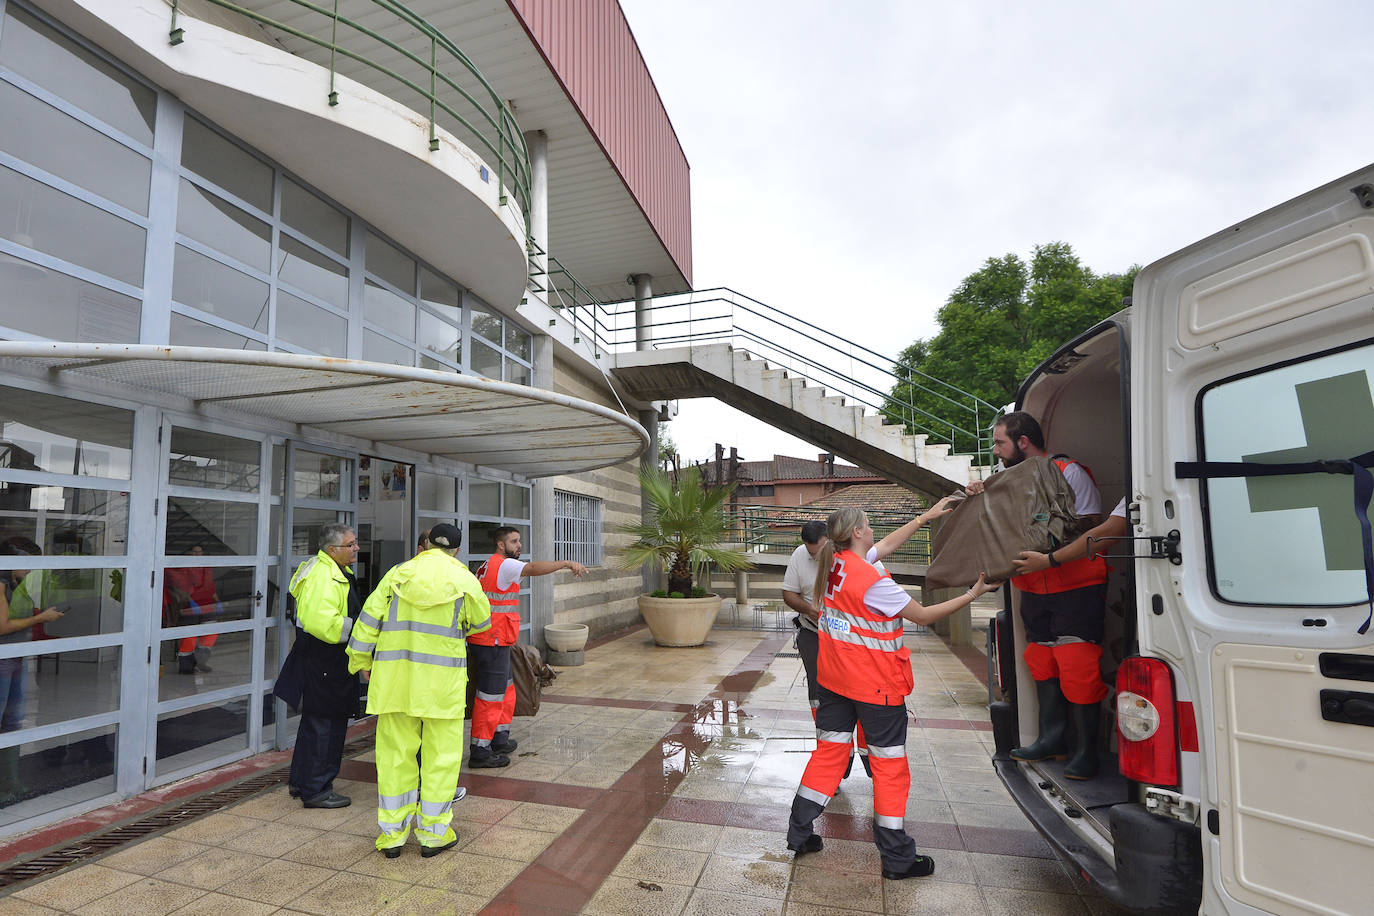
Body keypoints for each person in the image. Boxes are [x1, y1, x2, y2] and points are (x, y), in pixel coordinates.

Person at [786, 507, 998, 880]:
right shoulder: (871, 580)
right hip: (875, 686)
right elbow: (925, 615)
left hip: (836, 681)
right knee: (889, 768)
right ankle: (898, 858)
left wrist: (924, 518)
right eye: (868, 525)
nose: (873, 532)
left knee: (828, 756)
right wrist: (973, 594)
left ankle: (799, 833)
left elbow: (883, 546)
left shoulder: (835, 564)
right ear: (856, 532)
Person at [967, 411, 1108, 780]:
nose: (996, 451)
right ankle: (1053, 739)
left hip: (1076, 585)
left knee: (1077, 663)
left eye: (1000, 443)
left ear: (1023, 442)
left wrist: (1050, 553)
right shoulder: (1006, 479)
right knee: (1041, 660)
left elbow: (1093, 526)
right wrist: (978, 495)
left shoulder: (1069, 471)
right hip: (1032, 587)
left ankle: (1086, 752)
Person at [346, 523, 491, 858]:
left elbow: (368, 620)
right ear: (457, 550)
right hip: (442, 688)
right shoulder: (464, 578)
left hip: (396, 683)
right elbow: (482, 623)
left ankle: (392, 836)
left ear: (425, 545)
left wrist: (359, 661)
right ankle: (433, 835)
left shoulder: (398, 574)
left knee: (394, 758)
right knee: (441, 761)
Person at [467, 526, 586, 768]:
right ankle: (480, 751)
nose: (519, 545)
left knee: (505, 689)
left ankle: (499, 738)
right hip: (492, 639)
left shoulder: (490, 565)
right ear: (501, 545)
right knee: (490, 696)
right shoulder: (504, 564)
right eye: (514, 541)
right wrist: (565, 563)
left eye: (519, 541)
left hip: (494, 639)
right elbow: (532, 569)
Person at [286, 523, 363, 808]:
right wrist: (360, 629)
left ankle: (302, 781)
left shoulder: (333, 570)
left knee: (315, 722)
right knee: (326, 725)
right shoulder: (324, 576)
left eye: (355, 543)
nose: (356, 548)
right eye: (351, 544)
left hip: (324, 658)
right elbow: (323, 623)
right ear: (332, 550)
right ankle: (317, 789)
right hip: (326, 658)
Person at [0, 538, 63, 804]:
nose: (31, 569)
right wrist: (40, 618)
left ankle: (10, 781)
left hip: (15, 659)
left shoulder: (16, 584)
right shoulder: (0, 584)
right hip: (3, 659)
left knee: (13, 722)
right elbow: (2, 627)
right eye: (28, 562)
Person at [165, 544, 221, 674]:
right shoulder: (183, 567)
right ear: (189, 553)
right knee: (189, 637)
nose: (197, 555)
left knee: (210, 633)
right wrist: (192, 602)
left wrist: (216, 599)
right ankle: (186, 666)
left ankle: (201, 661)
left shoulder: (206, 567)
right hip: (190, 606)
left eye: (199, 552)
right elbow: (182, 586)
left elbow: (210, 585)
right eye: (194, 552)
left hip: (207, 605)